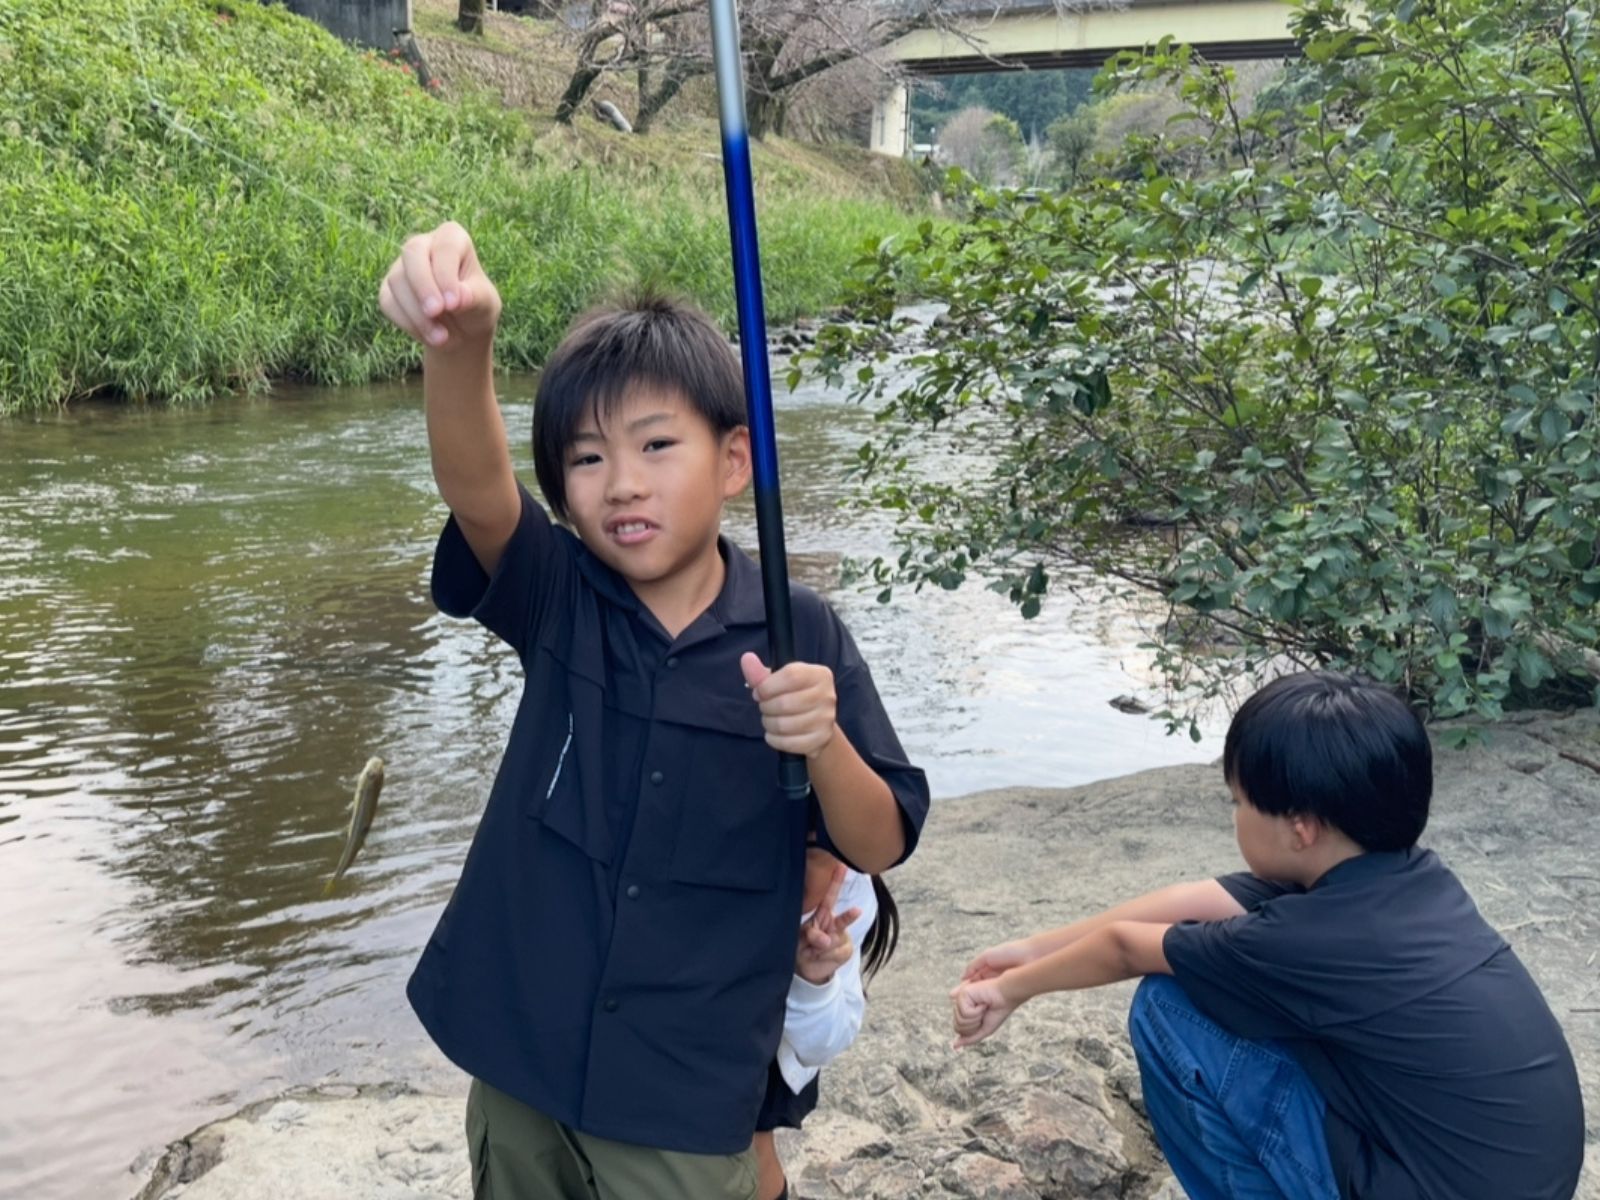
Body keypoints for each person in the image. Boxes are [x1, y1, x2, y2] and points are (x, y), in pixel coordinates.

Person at [378, 222, 930, 1200]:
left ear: (732, 462)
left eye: (657, 446)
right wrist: (458, 347)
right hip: (523, 1053)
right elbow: (476, 488)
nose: (622, 482)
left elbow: (878, 839)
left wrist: (825, 740)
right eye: (585, 459)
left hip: (686, 1081)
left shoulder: (799, 629)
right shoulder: (559, 591)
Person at [951, 671, 1583, 1200]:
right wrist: (1032, 950)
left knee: (1169, 1007)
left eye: (1238, 803)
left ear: (1301, 828)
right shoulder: (1408, 877)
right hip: (1517, 1178)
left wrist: (1012, 992)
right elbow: (1194, 902)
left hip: (1437, 1187)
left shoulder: (1297, 942)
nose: (1233, 817)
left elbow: (1125, 946)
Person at [754, 842, 900, 1200]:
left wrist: (814, 981)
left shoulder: (851, 893)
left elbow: (825, 1040)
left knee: (750, 1146)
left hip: (776, 1048)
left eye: (809, 847)